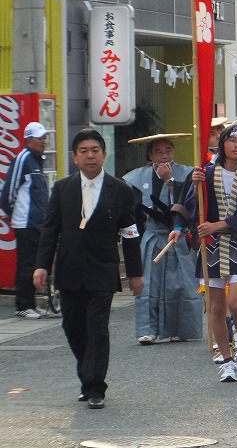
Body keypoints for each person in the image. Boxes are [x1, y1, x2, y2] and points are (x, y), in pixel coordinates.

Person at [33, 128, 144, 409]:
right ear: (75, 157)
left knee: (97, 329)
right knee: (73, 327)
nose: (90, 155)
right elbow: (50, 230)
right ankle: (87, 374)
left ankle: (95, 387)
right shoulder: (62, 188)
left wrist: (135, 273)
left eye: (95, 150)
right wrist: (41, 266)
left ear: (104, 155)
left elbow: (130, 233)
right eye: (84, 151)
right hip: (69, 270)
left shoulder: (120, 190)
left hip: (103, 270)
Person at [169, 124, 237, 383]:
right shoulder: (207, 173)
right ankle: (227, 360)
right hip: (210, 247)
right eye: (231, 140)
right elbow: (192, 206)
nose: (236, 145)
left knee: (236, 302)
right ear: (222, 144)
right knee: (216, 308)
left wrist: (219, 225)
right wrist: (196, 186)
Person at [122, 134, 202, 344]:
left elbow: (189, 204)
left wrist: (169, 181)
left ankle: (182, 328)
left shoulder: (186, 173)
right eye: (158, 151)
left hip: (178, 236)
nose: (164, 155)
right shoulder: (138, 178)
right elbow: (133, 211)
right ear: (150, 156)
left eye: (168, 150)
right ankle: (148, 330)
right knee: (149, 285)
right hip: (152, 235)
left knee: (180, 284)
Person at [0, 122, 50, 320]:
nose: (43, 141)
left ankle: (30, 303)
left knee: (36, 263)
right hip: (25, 222)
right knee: (27, 264)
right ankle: (22, 305)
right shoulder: (23, 158)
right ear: (29, 139)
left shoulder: (38, 160)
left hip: (38, 222)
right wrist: (12, 213)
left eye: (45, 137)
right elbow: (8, 192)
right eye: (40, 138)